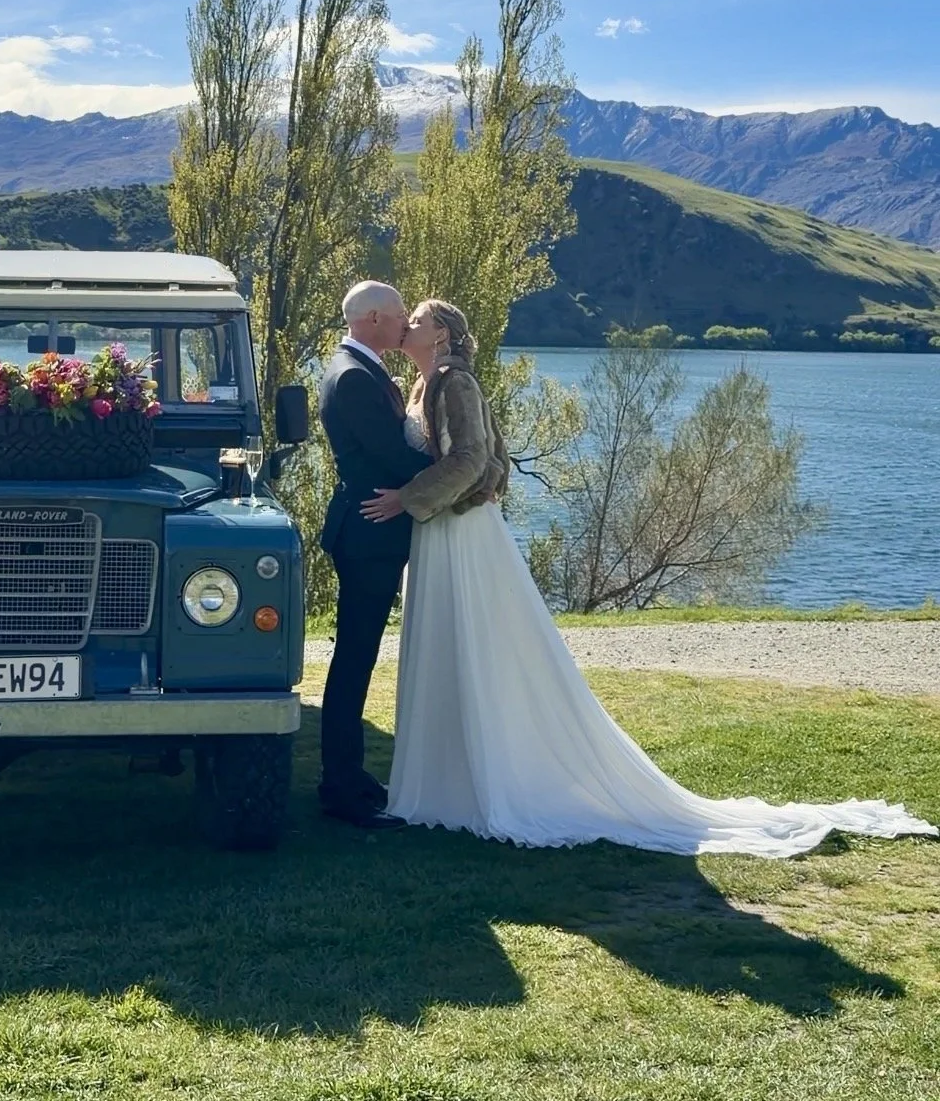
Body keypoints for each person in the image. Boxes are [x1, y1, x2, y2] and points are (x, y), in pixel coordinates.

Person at [360, 298, 937, 857]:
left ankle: (487, 781)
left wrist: (407, 499)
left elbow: (472, 459)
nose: (408, 325)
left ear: (440, 334)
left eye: (418, 319)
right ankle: (446, 781)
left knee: (477, 644)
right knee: (448, 646)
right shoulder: (424, 384)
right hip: (438, 530)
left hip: (460, 533)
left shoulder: (455, 381)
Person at [316, 281, 432, 827]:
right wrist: (456, 480)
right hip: (370, 528)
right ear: (375, 319)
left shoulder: (353, 368)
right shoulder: (356, 377)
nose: (406, 323)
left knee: (357, 656)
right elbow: (390, 456)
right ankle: (340, 787)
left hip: (367, 526)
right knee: (355, 658)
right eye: (400, 315)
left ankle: (350, 775)